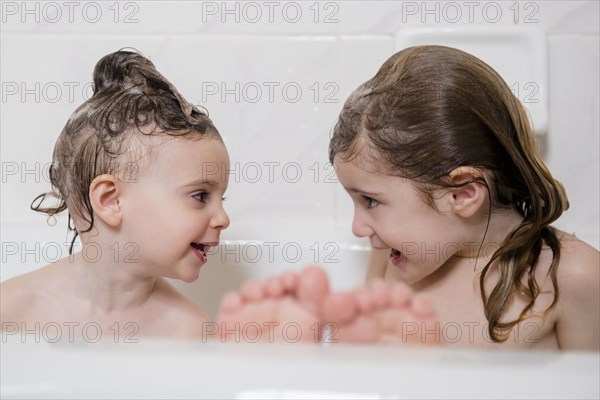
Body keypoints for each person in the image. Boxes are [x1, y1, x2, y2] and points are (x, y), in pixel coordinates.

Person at [217, 45, 599, 351]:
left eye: (371, 201)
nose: (357, 227)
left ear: (463, 194)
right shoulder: (391, 259)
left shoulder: (571, 276)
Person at [1, 50, 230, 340]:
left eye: (222, 199)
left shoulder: (186, 329)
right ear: (111, 200)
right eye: (200, 196)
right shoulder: (11, 312)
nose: (223, 219)